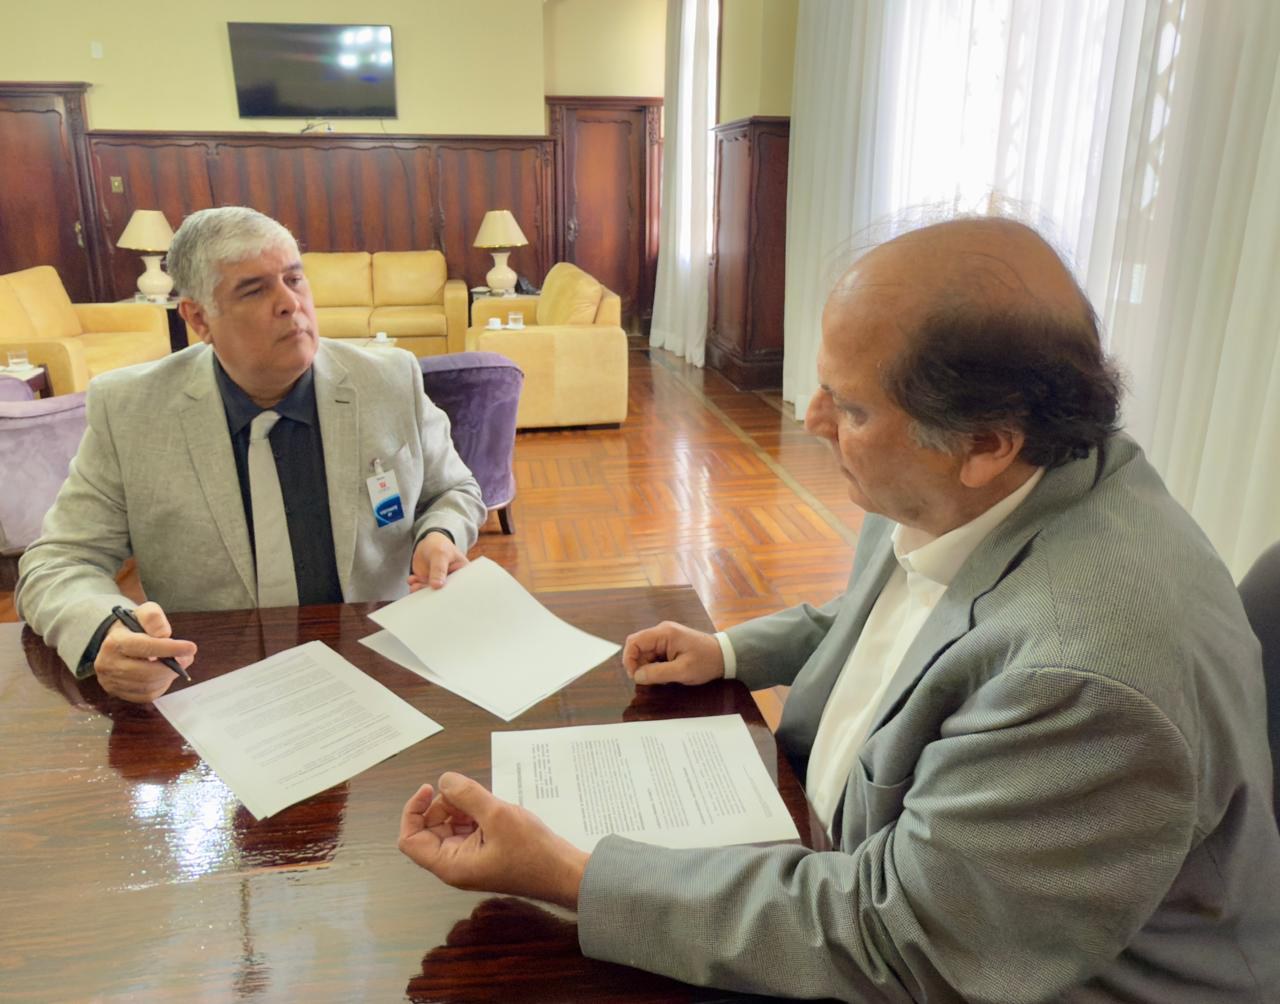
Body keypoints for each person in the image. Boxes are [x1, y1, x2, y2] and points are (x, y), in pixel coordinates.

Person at [396, 217, 1280, 1002]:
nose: (812, 417)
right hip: (852, 857)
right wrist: (730, 652)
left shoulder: (1086, 683)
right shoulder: (988, 480)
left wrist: (574, 876)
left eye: (850, 406)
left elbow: (904, 947)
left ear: (983, 442)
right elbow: (888, 621)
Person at [16, 207, 486, 704]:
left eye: (294, 278)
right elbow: (58, 562)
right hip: (214, 690)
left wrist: (440, 533)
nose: (290, 304)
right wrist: (107, 632)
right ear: (199, 318)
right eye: (254, 289)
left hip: (376, 674)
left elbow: (453, 490)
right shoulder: (132, 410)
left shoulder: (389, 380)